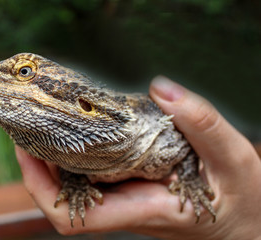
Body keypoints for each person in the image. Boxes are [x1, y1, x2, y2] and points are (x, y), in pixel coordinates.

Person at [15, 76, 261, 240]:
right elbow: (70, 164)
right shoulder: (74, 155)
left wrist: (191, 181)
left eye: (25, 72)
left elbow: (186, 149)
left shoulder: (155, 143)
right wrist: (75, 186)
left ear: (84, 104)